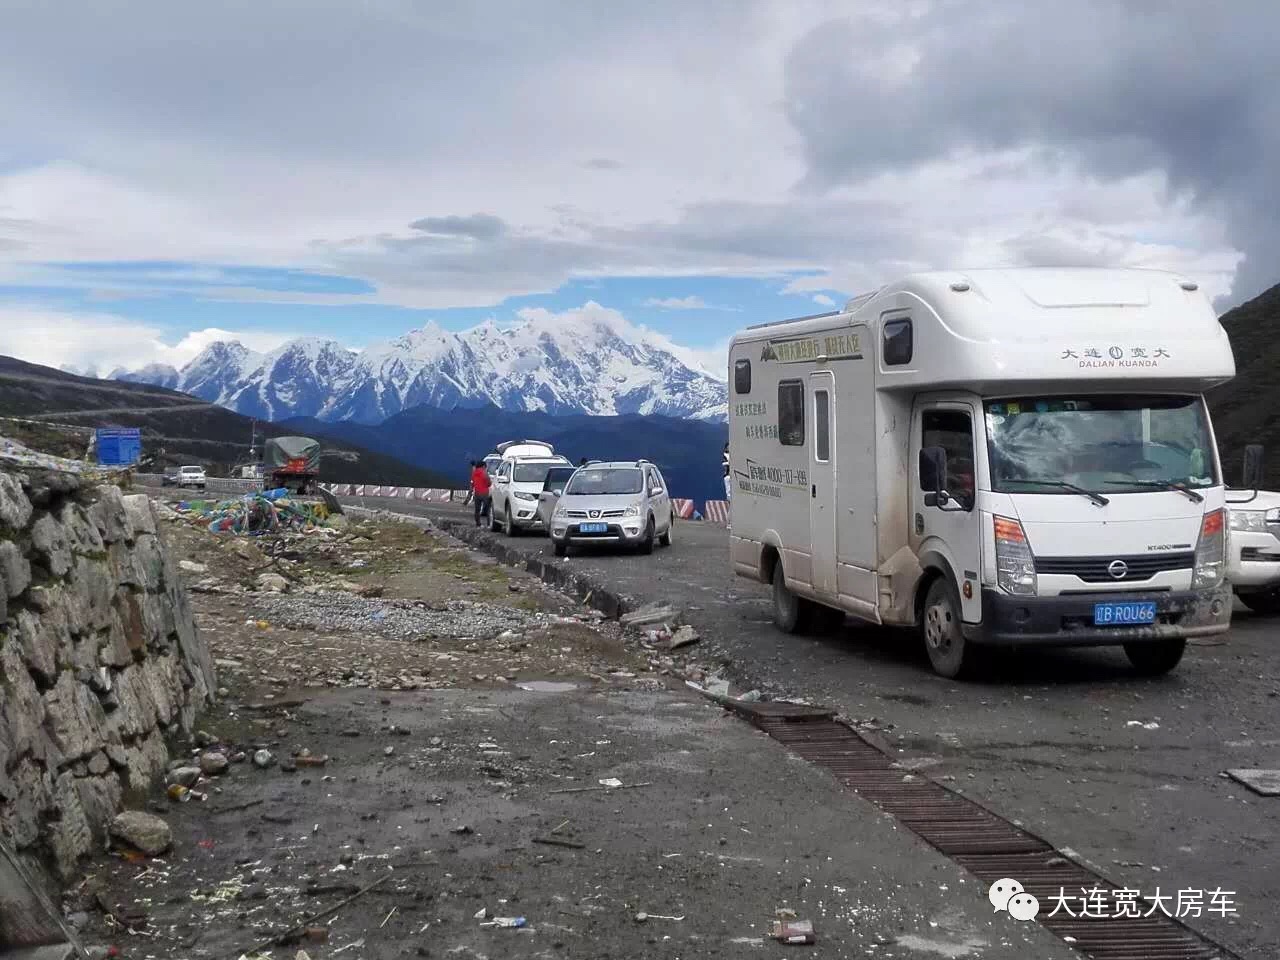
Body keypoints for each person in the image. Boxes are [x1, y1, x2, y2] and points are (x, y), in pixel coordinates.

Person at [470, 460, 491, 526]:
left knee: (477, 509)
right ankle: (489, 524)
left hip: (477, 492)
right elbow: (488, 481)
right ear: (483, 466)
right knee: (488, 509)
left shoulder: (474, 472)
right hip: (484, 492)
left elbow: (472, 480)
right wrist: (489, 484)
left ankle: (478, 523)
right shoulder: (484, 472)